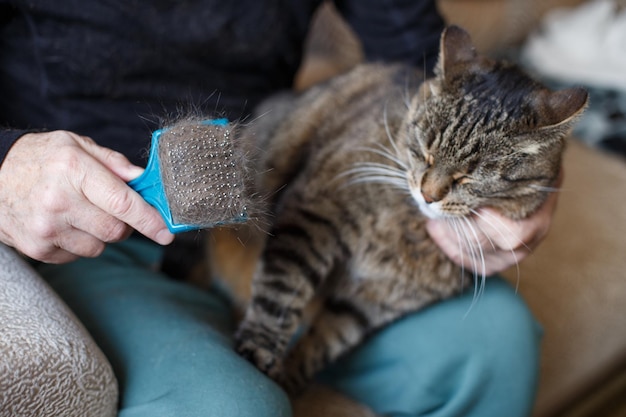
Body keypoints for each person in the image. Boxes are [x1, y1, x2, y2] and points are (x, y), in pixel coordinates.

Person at [0, 1, 554, 416]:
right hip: (95, 239)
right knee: (236, 407)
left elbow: (426, 53)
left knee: (497, 342)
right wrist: (7, 166)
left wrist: (531, 181)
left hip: (268, 203)